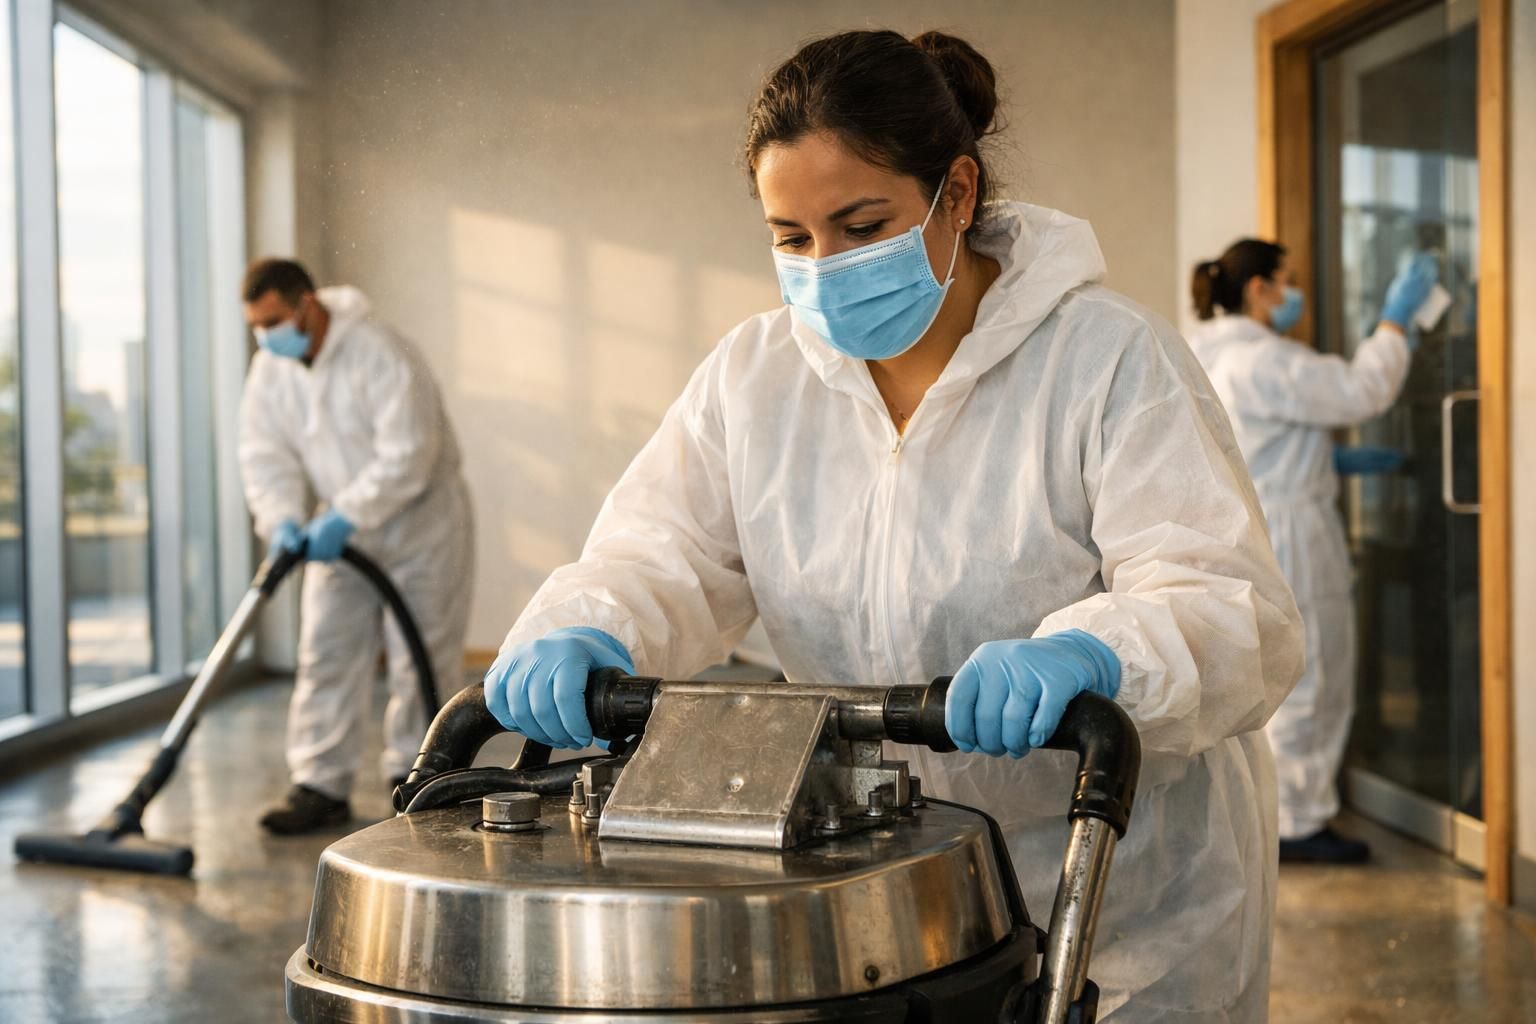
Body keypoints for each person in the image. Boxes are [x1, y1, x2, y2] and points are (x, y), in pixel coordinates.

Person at [486, 31, 1303, 1021]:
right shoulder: (757, 380)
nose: (825, 269)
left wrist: (1094, 655)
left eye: (862, 225)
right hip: (884, 893)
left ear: (956, 195)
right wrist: (591, 622)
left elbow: (1232, 611)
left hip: (1124, 892)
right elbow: (663, 551)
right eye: (792, 238)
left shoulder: (1105, 362)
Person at [1188, 240, 1437, 864]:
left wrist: (1328, 461)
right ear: (1258, 291)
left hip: (1250, 525)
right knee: (1314, 670)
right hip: (1294, 532)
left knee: (1273, 669)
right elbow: (1361, 391)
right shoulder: (1263, 359)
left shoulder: (1206, 354)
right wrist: (1395, 319)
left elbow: (1254, 444)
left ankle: (1279, 810)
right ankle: (1298, 822)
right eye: (1286, 280)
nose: (1293, 293)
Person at [238, 259, 475, 834]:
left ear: (307, 305)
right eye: (256, 326)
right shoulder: (273, 370)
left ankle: (417, 777)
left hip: (422, 525)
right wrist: (283, 520)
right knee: (325, 651)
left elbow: (411, 454)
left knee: (418, 656)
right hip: (338, 530)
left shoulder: (378, 350)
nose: (267, 336)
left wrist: (346, 516)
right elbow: (263, 454)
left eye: (273, 321)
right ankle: (319, 783)